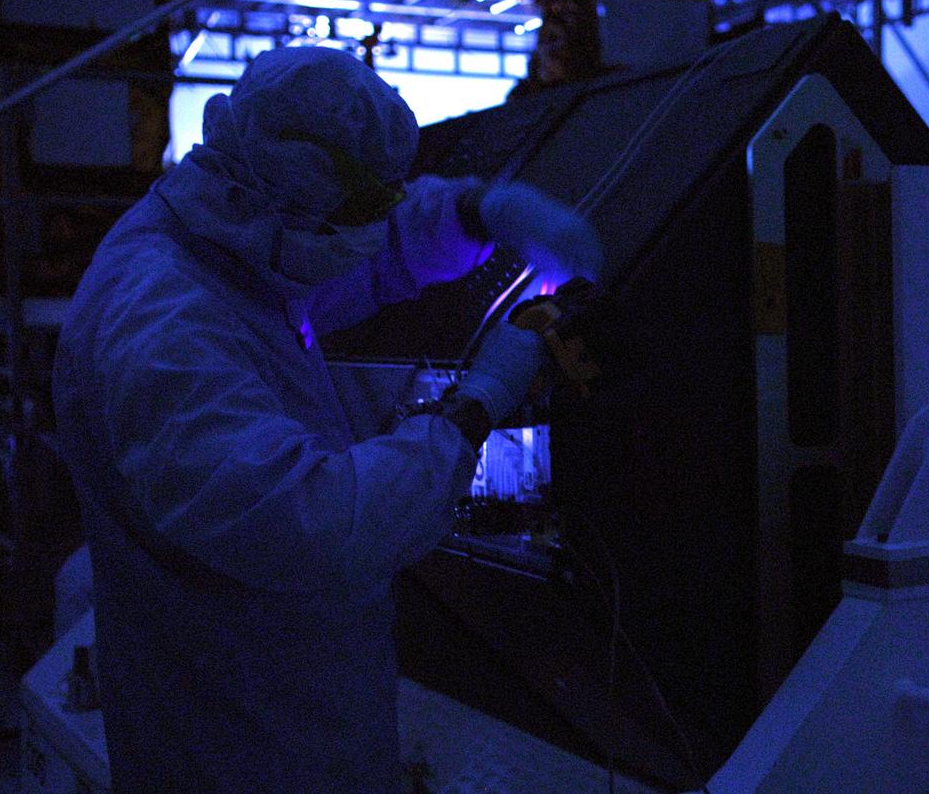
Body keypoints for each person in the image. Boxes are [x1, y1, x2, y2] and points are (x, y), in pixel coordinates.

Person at [52, 46, 599, 792]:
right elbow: (315, 523)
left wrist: (476, 212)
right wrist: (477, 405)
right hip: (240, 747)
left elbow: (353, 256)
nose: (378, 229)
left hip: (290, 722)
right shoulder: (162, 324)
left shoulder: (231, 237)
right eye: (366, 210)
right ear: (296, 196)